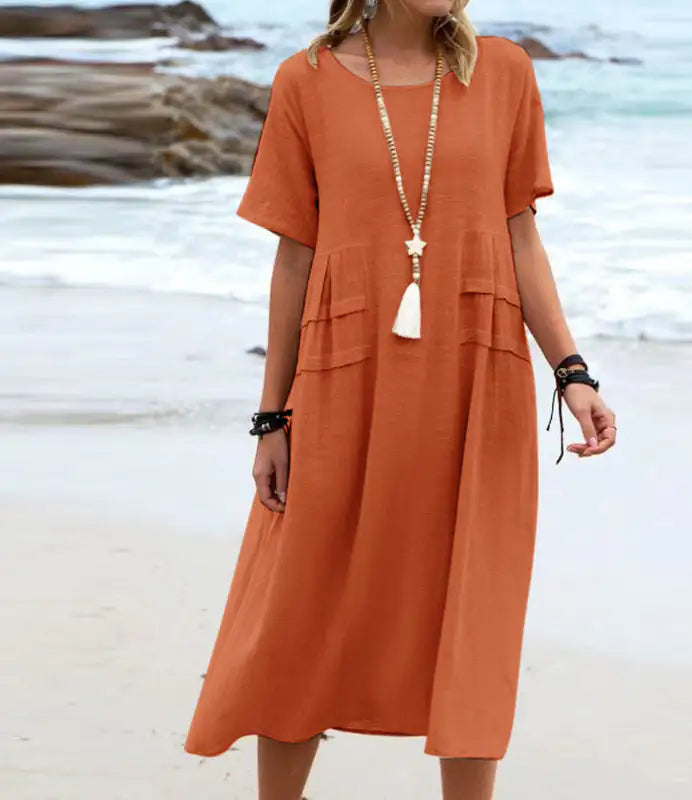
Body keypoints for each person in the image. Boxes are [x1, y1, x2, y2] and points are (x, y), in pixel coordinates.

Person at [184, 1, 617, 798]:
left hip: (475, 378)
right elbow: (294, 257)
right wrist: (271, 416)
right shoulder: (305, 81)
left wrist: (572, 370)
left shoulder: (504, 73)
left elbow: (520, 233)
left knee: (472, 601)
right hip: (343, 375)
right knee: (303, 603)